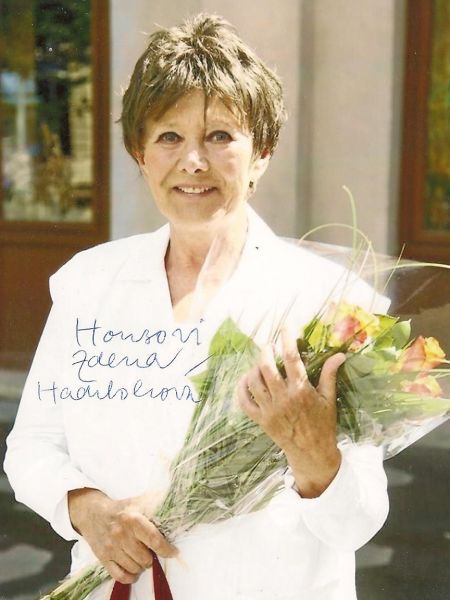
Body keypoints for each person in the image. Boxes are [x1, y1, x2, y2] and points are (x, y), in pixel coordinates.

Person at [4, 14, 389, 600]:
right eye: (169, 137)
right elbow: (32, 447)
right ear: (139, 153)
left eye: (220, 136)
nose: (192, 161)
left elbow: (357, 522)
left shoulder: (331, 304)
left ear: (261, 153)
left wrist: (315, 456)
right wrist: (87, 509)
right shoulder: (88, 284)